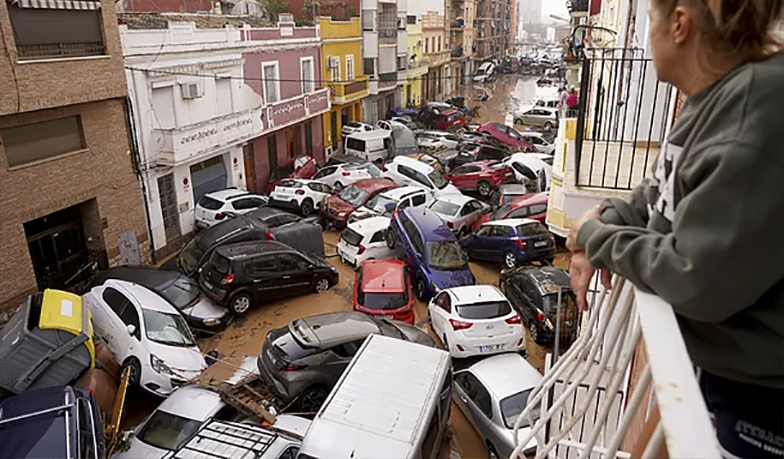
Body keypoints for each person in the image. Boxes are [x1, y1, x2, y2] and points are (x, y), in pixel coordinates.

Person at [565, 0, 784, 457]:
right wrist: (606, 218)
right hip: (722, 369)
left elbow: (696, 277)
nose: (649, 35)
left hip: (761, 400)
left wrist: (593, 238)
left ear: (679, 25)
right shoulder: (715, 99)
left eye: (650, 21)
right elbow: (657, 194)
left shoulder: (753, 112)